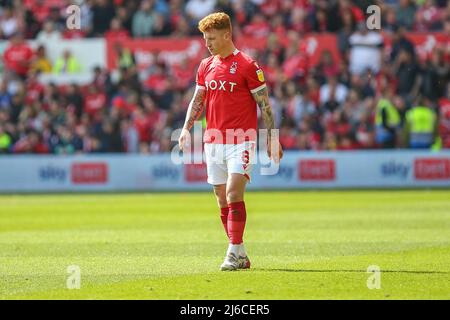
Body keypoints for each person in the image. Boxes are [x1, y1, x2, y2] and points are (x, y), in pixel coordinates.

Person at [178, 12, 283, 271]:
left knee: (233, 192)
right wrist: (185, 128)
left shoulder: (248, 65)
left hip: (241, 140)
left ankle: (232, 254)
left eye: (211, 38)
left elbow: (265, 105)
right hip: (213, 140)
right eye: (204, 38)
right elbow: (198, 100)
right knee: (221, 198)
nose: (207, 43)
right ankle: (240, 252)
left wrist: (272, 138)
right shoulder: (205, 66)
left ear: (227, 34)